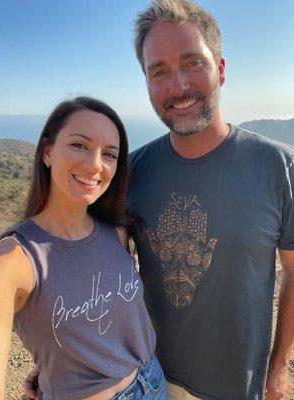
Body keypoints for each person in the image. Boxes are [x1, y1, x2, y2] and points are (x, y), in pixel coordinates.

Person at [127, 1, 294, 400]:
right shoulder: (131, 172)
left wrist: (278, 364)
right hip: (148, 383)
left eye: (192, 63)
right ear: (147, 84)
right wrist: (58, 358)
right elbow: (93, 266)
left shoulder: (279, 167)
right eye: (160, 72)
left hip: (239, 387)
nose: (178, 86)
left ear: (220, 69)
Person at [0, 96, 168, 400]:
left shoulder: (116, 230)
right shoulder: (14, 261)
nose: (94, 164)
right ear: (48, 152)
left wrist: (58, 363)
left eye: (109, 154)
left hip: (151, 383)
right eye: (79, 145)